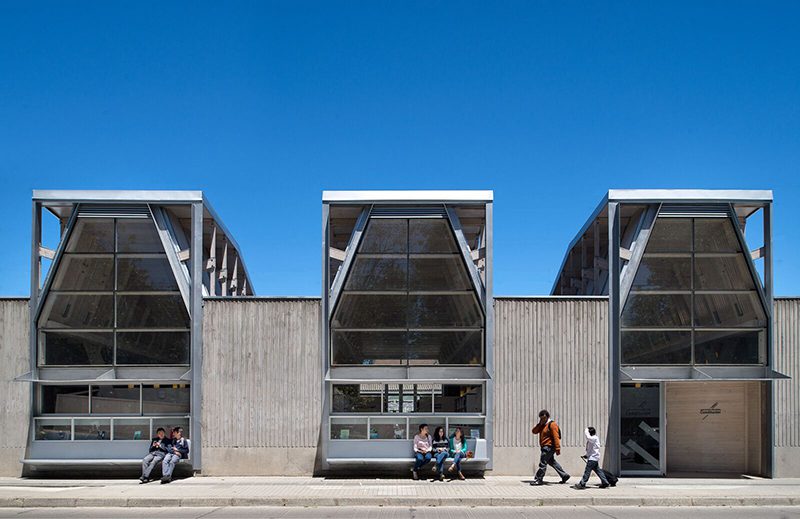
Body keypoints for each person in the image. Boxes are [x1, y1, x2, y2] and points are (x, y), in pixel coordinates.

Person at [530, 409, 570, 485]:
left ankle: (539, 479)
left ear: (548, 417)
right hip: (545, 446)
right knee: (552, 462)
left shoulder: (552, 424)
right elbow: (534, 431)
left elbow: (556, 436)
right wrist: (539, 424)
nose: (542, 419)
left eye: (544, 418)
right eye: (541, 418)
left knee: (542, 463)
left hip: (549, 447)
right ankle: (564, 475)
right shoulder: (542, 425)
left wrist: (558, 448)